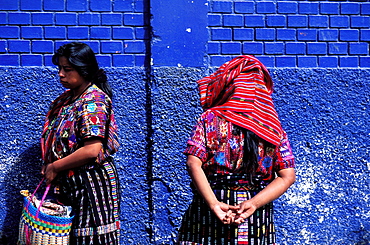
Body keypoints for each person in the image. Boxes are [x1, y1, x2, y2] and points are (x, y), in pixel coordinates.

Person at [177, 55, 296, 245]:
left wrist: (214, 204)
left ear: (231, 87)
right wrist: (253, 204)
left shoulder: (210, 119)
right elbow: (287, 176)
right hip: (254, 218)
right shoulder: (273, 128)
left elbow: (193, 162)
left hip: (209, 211)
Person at [40, 42, 120, 244]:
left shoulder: (94, 101)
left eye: (67, 69)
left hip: (91, 185)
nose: (60, 74)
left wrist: (54, 166)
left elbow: (92, 150)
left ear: (83, 69)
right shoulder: (68, 100)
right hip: (72, 184)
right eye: (59, 68)